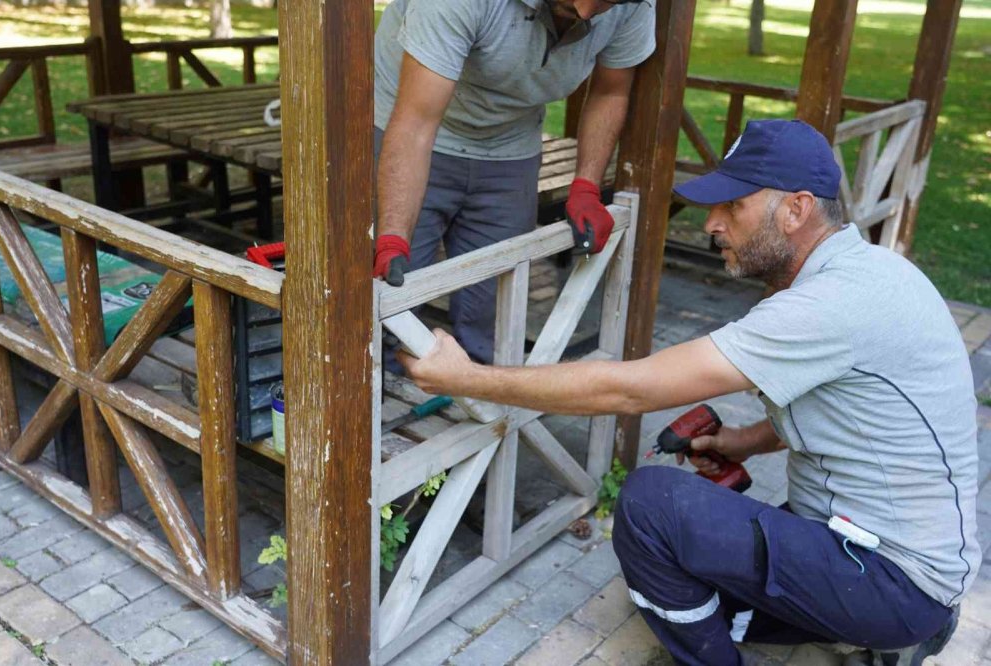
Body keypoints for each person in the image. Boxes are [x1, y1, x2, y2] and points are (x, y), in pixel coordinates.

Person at [398, 119, 980, 665]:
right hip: (884, 558)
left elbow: (631, 391)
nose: (711, 224)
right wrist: (744, 442)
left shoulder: (830, 305)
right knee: (679, 590)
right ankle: (872, 630)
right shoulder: (870, 270)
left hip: (890, 575)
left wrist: (465, 378)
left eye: (734, 205)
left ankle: (872, 627)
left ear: (796, 210)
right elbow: (850, 412)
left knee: (650, 506)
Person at [372, 0, 655, 365]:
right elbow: (415, 123)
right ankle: (379, 386)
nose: (586, 15)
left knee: (495, 302)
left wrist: (586, 186)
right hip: (413, 128)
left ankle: (481, 390)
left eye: (606, 2)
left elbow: (610, 92)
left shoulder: (635, 5)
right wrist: (392, 237)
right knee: (392, 296)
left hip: (511, 144)